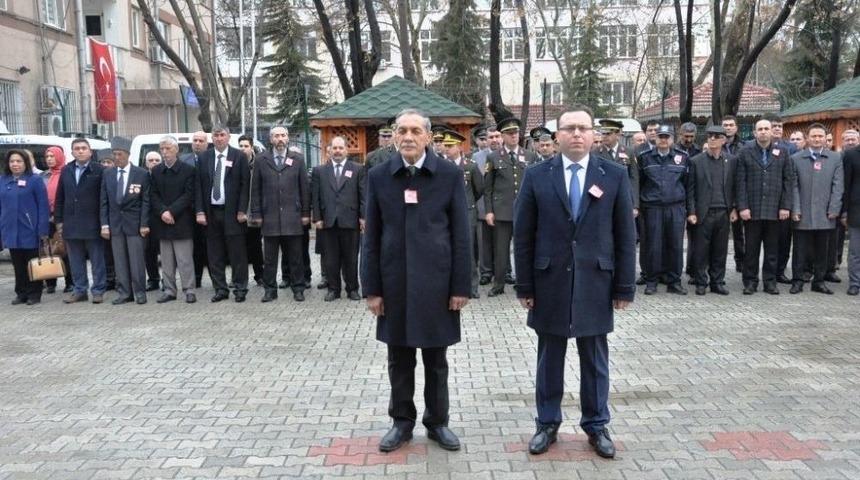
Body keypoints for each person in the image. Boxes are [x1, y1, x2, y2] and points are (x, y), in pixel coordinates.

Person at [513, 106, 636, 458]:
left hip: (596, 281)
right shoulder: (537, 175)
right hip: (549, 280)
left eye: (584, 128)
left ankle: (596, 425)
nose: (577, 134)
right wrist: (525, 286)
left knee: (594, 359)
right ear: (558, 136)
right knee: (549, 357)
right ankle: (547, 424)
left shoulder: (612, 175)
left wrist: (624, 286)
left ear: (594, 134)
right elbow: (523, 235)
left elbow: (625, 235)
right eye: (569, 128)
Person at [361, 108, 471, 453]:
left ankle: (438, 423)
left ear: (427, 137)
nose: (407, 136)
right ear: (394, 136)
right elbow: (372, 236)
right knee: (399, 359)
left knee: (436, 361)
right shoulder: (379, 176)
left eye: (414, 131)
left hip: (438, 285)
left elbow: (461, 235)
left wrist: (460, 287)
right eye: (401, 131)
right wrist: (372, 289)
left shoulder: (449, 176)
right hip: (394, 284)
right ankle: (402, 423)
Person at [250, 125, 310, 303]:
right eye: (276, 136)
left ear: (288, 138)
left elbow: (304, 188)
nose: (280, 139)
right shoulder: (261, 159)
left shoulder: (297, 159)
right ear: (270, 139)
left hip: (293, 216)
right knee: (269, 259)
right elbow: (255, 189)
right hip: (269, 217)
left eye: (283, 135)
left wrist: (306, 212)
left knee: (296, 258)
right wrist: (256, 213)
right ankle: (270, 290)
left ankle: (298, 288)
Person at [735, 119, 793, 295]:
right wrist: (742, 207)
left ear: (772, 131)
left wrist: (785, 206)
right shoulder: (745, 151)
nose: (763, 132)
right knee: (751, 250)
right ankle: (750, 282)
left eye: (766, 128)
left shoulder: (783, 152)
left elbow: (788, 180)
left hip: (775, 210)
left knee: (772, 250)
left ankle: (770, 282)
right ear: (754, 132)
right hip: (752, 210)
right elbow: (740, 182)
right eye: (760, 129)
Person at [194, 125, 250, 302]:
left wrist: (242, 210)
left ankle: (240, 289)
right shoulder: (204, 158)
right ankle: (220, 289)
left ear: (228, 137)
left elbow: (245, 186)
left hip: (233, 213)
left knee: (237, 254)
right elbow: (199, 187)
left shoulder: (239, 156)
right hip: (211, 213)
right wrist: (200, 211)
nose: (219, 138)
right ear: (212, 138)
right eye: (216, 135)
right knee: (214, 254)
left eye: (222, 135)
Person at [484, 117, 538, 296]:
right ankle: (498, 285)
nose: (514, 136)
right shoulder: (493, 157)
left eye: (515, 132)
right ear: (503, 136)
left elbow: (535, 186)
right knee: (501, 251)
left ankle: (523, 283)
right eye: (509, 133)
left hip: (524, 211)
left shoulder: (529, 156)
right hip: (502, 212)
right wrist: (489, 211)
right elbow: (488, 188)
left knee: (524, 248)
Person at [788, 123, 843, 295]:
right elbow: (793, 186)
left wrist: (834, 208)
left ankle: (818, 282)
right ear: (807, 138)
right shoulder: (796, 159)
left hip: (825, 213)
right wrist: (795, 209)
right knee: (799, 250)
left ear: (825, 138)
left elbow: (838, 186)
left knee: (823, 250)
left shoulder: (835, 158)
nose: (817, 139)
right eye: (814, 136)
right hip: (802, 213)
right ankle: (797, 281)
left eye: (820, 136)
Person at [311, 136, 365, 302]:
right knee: (331, 259)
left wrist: (364, 217)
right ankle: (333, 289)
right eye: (335, 148)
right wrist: (317, 218)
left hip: (351, 220)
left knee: (351, 257)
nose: (338, 151)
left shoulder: (358, 169)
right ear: (330, 151)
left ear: (346, 150)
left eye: (341, 148)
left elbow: (363, 195)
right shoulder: (320, 171)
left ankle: (352, 289)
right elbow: (316, 197)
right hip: (328, 221)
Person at [638, 125, 690, 295]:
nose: (663, 139)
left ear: (672, 139)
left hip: (675, 208)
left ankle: (674, 281)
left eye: (667, 136)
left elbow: (688, 184)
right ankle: (651, 281)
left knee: (675, 245)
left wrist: (688, 209)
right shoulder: (645, 158)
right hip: (652, 208)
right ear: (655, 138)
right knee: (653, 245)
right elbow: (639, 184)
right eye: (660, 136)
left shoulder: (682, 158)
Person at [686, 126, 737, 295]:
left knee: (720, 250)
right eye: (710, 136)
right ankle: (701, 282)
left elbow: (735, 188)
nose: (712, 139)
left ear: (724, 140)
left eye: (716, 136)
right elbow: (690, 190)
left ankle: (717, 282)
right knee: (701, 250)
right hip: (703, 213)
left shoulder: (731, 160)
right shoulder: (696, 161)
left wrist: (734, 208)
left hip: (723, 211)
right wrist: (691, 212)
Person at [99, 137, 151, 305]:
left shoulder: (141, 174)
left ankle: (140, 292)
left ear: (128, 154)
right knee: (119, 260)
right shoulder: (108, 174)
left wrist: (144, 223)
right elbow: (104, 201)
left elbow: (145, 201)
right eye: (114, 154)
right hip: (115, 224)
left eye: (119, 154)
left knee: (136, 261)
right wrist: (105, 224)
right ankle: (124, 293)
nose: (116, 157)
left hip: (134, 224)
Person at [54, 138, 106, 304]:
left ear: (90, 151)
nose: (81, 151)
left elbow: (104, 198)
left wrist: (104, 222)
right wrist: (59, 221)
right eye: (77, 148)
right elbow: (60, 197)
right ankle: (80, 290)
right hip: (71, 223)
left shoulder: (99, 170)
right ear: (72, 152)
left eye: (84, 148)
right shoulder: (66, 170)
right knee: (75, 261)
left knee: (97, 260)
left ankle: (98, 290)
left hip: (93, 223)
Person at [150, 136, 197, 304]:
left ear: (176, 150)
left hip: (181, 220)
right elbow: (153, 195)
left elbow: (188, 195)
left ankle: (189, 289)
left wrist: (171, 211)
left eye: (168, 148)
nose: (164, 152)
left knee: (184, 259)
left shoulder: (188, 170)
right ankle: (169, 290)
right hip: (162, 221)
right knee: (166, 260)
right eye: (162, 149)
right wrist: (163, 211)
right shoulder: (155, 171)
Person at [0, 149, 50, 305]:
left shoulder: (34, 180)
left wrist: (42, 230)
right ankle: (21, 293)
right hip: (10, 228)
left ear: (25, 163)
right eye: (12, 161)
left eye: (19, 161)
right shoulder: (3, 180)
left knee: (32, 263)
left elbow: (43, 206)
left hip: (30, 229)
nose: (15, 164)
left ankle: (34, 293)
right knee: (18, 264)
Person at [442, 129, 484, 299]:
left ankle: (472, 287)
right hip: (445, 213)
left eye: (450, 146)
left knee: (468, 250)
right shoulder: (441, 166)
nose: (447, 149)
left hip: (467, 212)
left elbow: (479, 189)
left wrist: (468, 203)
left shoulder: (470, 166)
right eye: (445, 145)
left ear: (459, 147)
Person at [40, 146, 73, 294]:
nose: (49, 159)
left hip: (63, 217)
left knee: (65, 250)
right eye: (47, 156)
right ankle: (50, 281)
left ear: (59, 157)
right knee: (48, 250)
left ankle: (70, 282)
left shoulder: (66, 173)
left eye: (52, 156)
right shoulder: (43, 176)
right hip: (45, 217)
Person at [181, 130, 210, 288]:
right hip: (189, 212)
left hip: (209, 212)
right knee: (194, 248)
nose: (197, 143)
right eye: (195, 140)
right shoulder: (184, 160)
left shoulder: (212, 158)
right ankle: (196, 279)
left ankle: (217, 280)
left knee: (211, 247)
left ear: (207, 143)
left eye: (201, 141)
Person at [475, 126, 502, 286]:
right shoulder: (477, 157)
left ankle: (504, 271)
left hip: (502, 206)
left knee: (502, 241)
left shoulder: (506, 156)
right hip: (482, 205)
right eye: (490, 137)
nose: (494, 140)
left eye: (497, 136)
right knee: (483, 241)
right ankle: (485, 272)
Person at [238, 135, 264, 286]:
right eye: (240, 146)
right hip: (239, 214)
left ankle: (259, 275)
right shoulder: (235, 163)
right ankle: (241, 278)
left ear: (252, 147)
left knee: (255, 247)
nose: (243, 149)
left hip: (254, 213)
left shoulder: (259, 163)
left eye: (246, 146)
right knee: (239, 248)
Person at [843, 143, 860, 295]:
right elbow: (846, 185)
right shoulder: (851, 154)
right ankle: (855, 282)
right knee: (855, 251)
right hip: (856, 210)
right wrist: (845, 211)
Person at [143, 152, 162, 291]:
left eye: (157, 160)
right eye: (151, 160)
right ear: (146, 163)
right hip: (147, 220)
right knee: (149, 252)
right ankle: (153, 279)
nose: (154, 162)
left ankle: (167, 280)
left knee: (166, 253)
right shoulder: (142, 177)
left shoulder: (165, 175)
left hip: (162, 219)